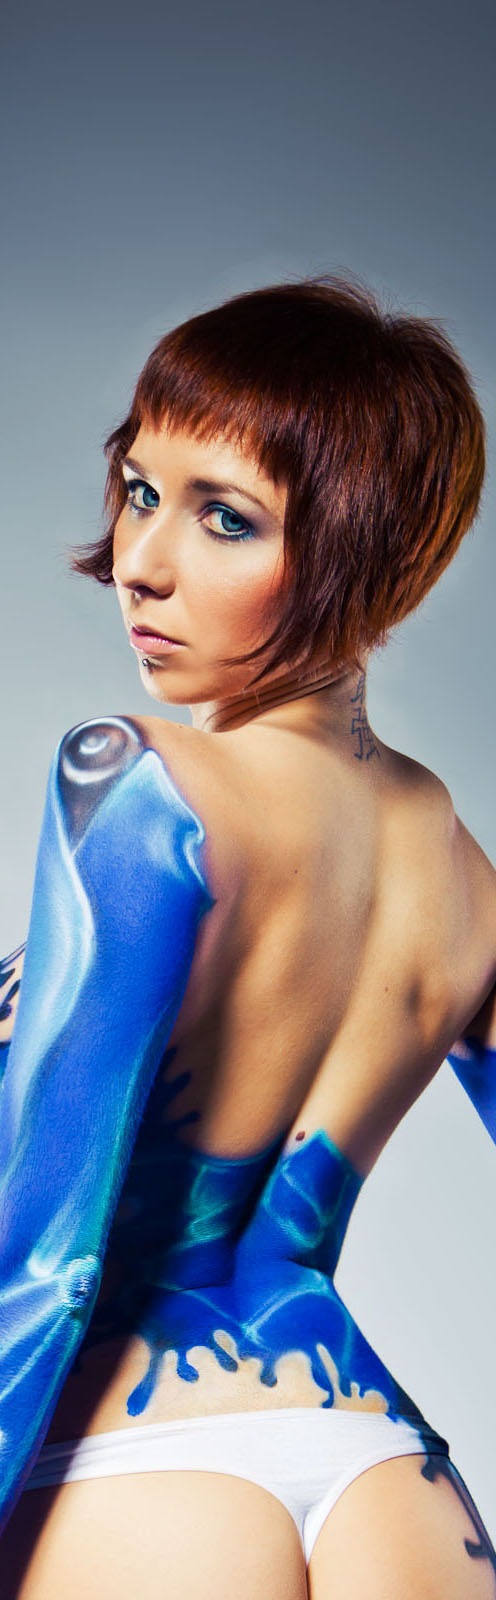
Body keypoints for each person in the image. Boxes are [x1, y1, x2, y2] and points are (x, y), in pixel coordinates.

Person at [0, 274, 495, 1598]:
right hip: (396, 1486)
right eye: (140, 489)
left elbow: (44, 1255)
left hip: (134, 1464)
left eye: (227, 518)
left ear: (367, 552)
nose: (142, 561)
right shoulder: (462, 874)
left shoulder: (140, 787)